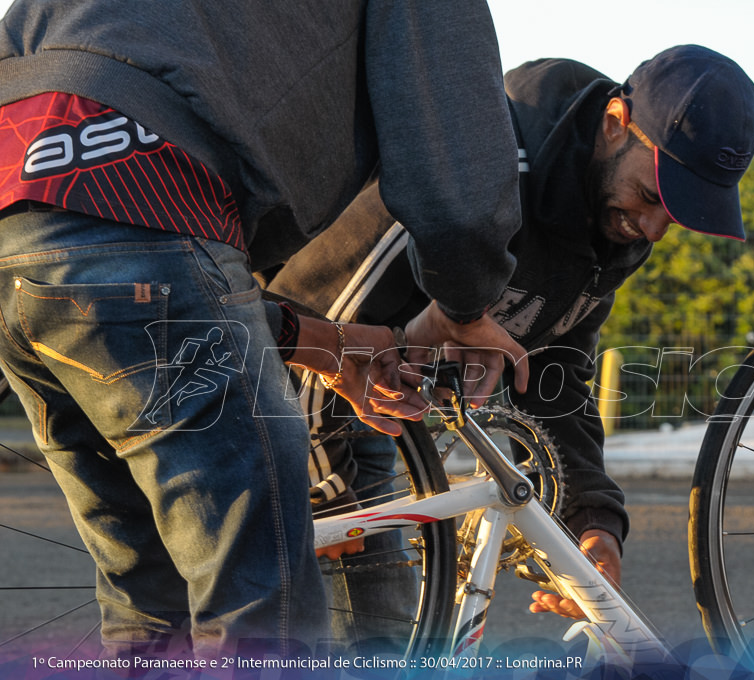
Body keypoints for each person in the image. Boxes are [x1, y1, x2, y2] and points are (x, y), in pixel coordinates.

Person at [0, 0, 528, 661]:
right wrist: (464, 307)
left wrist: (324, 345)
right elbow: (456, 160)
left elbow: (106, 243)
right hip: (149, 196)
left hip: (16, 228)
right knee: (260, 610)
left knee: (150, 608)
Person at [268, 44, 754, 624]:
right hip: (264, 394)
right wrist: (322, 482)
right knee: (262, 631)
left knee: (390, 638)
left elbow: (555, 370)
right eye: (653, 197)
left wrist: (591, 523)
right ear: (614, 124)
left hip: (375, 412)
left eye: (675, 215)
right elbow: (305, 322)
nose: (652, 229)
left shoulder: (613, 223)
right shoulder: (480, 161)